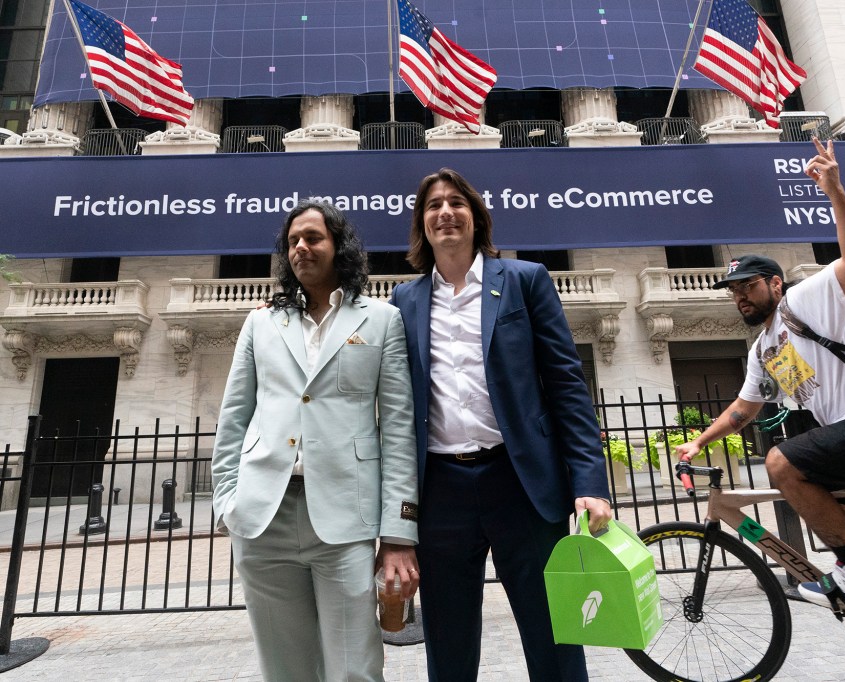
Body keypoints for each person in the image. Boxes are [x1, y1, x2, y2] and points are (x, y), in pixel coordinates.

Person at [675, 138, 845, 615]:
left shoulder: (803, 304)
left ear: (775, 284)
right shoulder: (763, 347)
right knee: (837, 524)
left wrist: (834, 191)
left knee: (781, 464)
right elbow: (745, 409)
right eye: (734, 291)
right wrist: (698, 442)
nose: (741, 296)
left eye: (750, 286)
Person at [390, 168, 613, 682]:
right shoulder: (404, 301)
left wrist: (589, 483)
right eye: (433, 206)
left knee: (554, 633)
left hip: (521, 483)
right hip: (440, 490)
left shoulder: (524, 279)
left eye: (456, 203)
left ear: (476, 217)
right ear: (422, 225)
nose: (445, 212)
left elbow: (566, 385)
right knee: (447, 642)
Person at [211, 199, 419, 682]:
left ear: (338, 246)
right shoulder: (260, 322)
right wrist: (227, 500)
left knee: (356, 669)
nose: (301, 248)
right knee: (286, 671)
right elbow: (233, 420)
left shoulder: (382, 320)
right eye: (292, 242)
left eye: (313, 238)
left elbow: (399, 429)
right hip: (263, 519)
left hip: (345, 519)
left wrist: (398, 534)